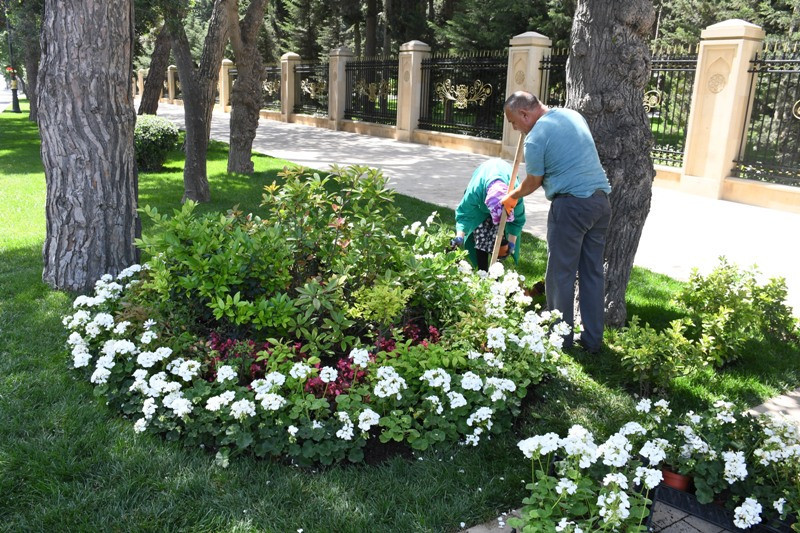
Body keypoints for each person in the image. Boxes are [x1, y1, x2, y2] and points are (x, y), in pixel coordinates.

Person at [501, 91, 611, 353]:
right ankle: (593, 341)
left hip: (571, 206)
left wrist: (512, 196)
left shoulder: (536, 137)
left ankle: (559, 341)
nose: (516, 129)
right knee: (592, 273)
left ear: (525, 114)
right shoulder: (572, 115)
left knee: (560, 275)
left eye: (514, 122)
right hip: (600, 202)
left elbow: (533, 181)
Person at [452, 158, 526, 272]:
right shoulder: (475, 190)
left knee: (499, 239)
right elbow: (464, 213)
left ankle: (495, 276)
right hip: (480, 206)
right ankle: (482, 273)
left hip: (505, 199)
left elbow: (518, 220)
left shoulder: (516, 193)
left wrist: (511, 243)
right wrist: (459, 236)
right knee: (481, 238)